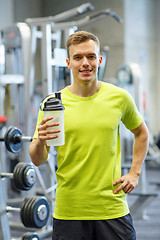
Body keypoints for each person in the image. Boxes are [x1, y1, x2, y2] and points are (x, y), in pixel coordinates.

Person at [29, 31, 149, 240]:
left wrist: (134, 173)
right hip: (70, 211)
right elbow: (37, 159)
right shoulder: (52, 104)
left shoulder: (119, 97)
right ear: (68, 63)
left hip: (112, 208)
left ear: (99, 60)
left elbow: (142, 133)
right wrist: (40, 140)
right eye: (78, 57)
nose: (85, 63)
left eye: (91, 56)